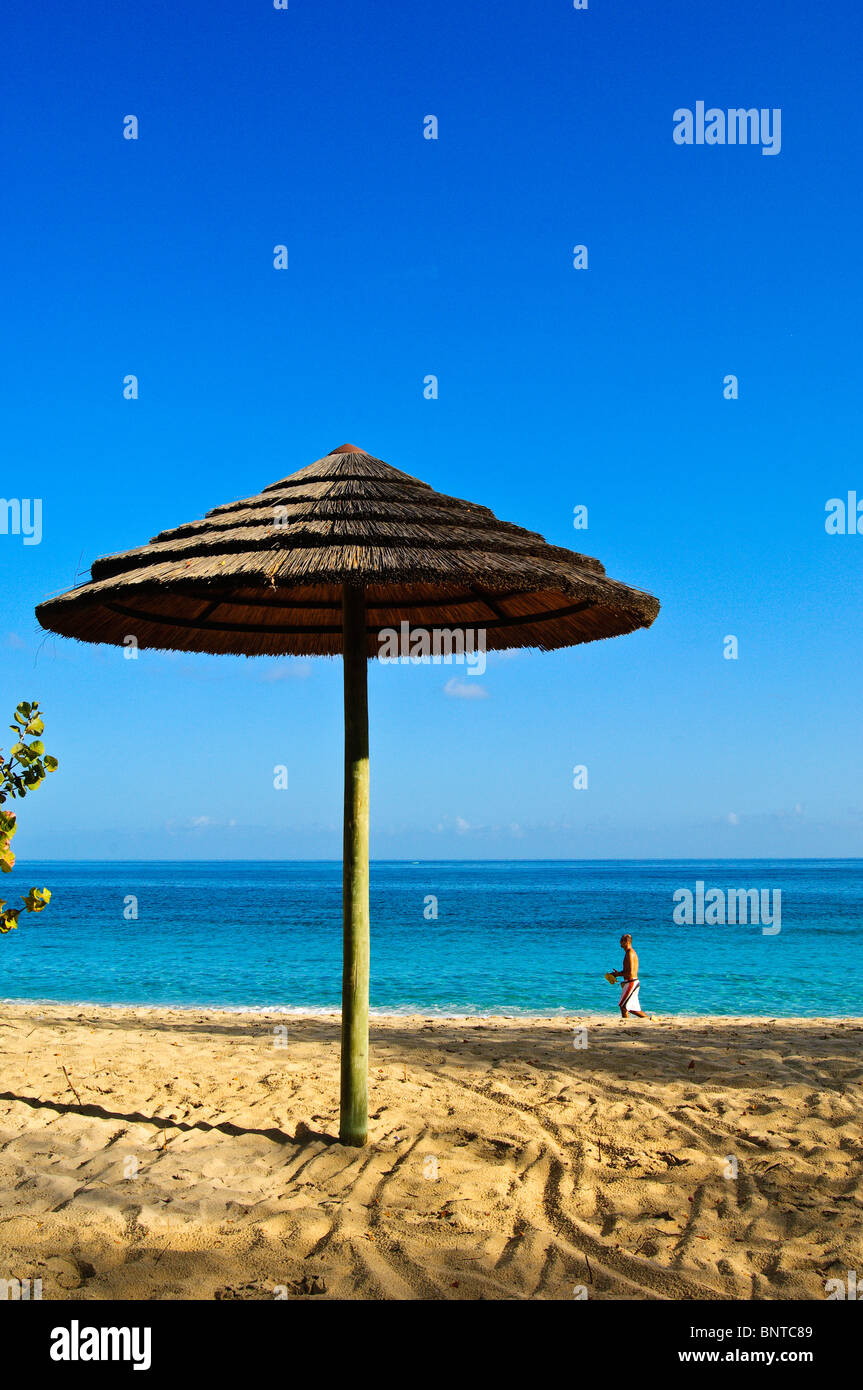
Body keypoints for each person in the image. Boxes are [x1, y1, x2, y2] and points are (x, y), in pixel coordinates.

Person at [611, 933, 648, 1020]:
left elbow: (631, 972)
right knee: (630, 1008)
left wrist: (618, 974)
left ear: (626, 942)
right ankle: (649, 1020)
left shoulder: (630, 953)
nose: (620, 942)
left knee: (624, 1006)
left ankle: (627, 1024)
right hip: (630, 982)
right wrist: (617, 974)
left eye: (621, 941)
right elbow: (627, 971)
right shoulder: (628, 953)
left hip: (631, 982)